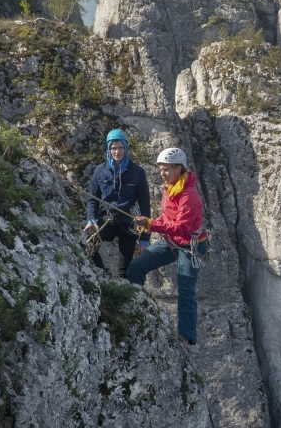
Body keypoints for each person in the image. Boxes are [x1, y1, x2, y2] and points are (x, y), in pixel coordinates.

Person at [128, 147, 208, 348]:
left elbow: (181, 228)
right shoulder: (169, 187)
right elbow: (167, 217)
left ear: (178, 168)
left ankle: (187, 339)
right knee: (136, 268)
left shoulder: (189, 196)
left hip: (191, 245)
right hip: (170, 241)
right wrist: (150, 224)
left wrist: (150, 224)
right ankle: (134, 312)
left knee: (186, 290)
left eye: (165, 169)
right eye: (160, 169)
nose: (162, 174)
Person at [85, 129, 151, 279]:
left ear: (126, 148)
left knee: (124, 269)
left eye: (121, 147)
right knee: (88, 244)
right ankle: (102, 275)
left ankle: (122, 289)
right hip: (106, 219)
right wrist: (91, 219)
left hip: (129, 222)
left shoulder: (137, 172)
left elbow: (144, 205)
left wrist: (145, 239)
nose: (117, 151)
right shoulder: (100, 171)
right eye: (113, 148)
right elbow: (93, 199)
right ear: (108, 148)